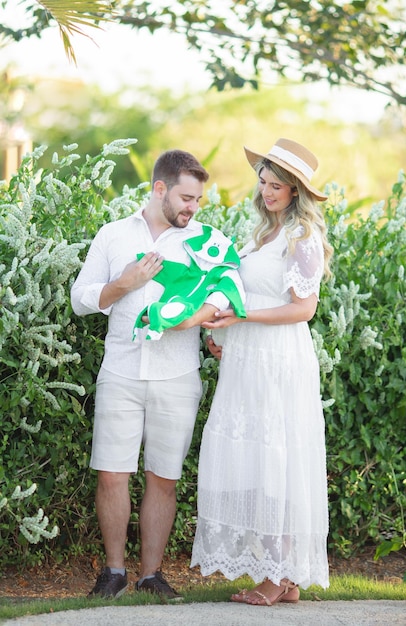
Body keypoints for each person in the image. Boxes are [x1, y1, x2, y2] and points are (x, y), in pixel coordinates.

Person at [71, 149, 244, 600]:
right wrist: (121, 285)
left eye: (198, 199)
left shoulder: (206, 240)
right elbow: (80, 298)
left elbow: (229, 289)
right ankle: (113, 571)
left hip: (178, 372)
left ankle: (151, 574)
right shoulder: (113, 236)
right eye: (186, 198)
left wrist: (200, 318)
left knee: (163, 477)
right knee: (111, 473)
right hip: (122, 369)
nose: (193, 207)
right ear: (159, 189)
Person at [191, 137, 333, 606]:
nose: (267, 191)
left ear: (296, 191)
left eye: (277, 185)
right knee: (253, 460)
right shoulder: (262, 235)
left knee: (276, 461)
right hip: (249, 360)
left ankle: (278, 576)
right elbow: (244, 296)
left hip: (280, 363)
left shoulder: (302, 238)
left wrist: (244, 318)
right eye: (264, 182)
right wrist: (224, 335)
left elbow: (303, 309)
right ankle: (282, 576)